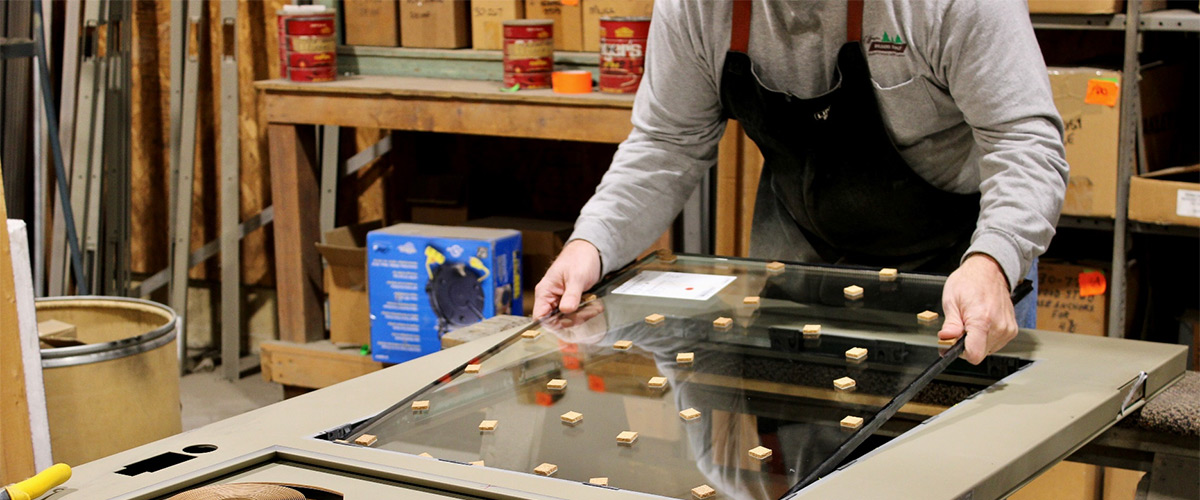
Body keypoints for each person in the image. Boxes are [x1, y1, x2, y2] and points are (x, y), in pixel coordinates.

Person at [534, 0, 1068, 365]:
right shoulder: (699, 9)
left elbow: (1024, 141)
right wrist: (593, 244)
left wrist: (995, 260)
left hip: (955, 274)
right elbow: (666, 142)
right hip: (798, 268)